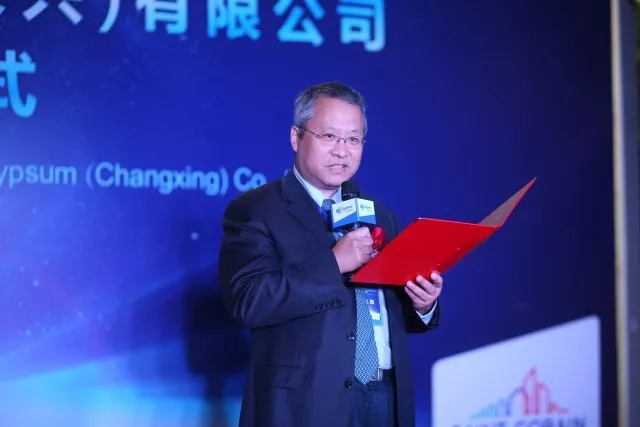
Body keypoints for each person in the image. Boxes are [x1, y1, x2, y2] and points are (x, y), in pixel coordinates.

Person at [218, 82, 443, 427]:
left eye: (353, 139)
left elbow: (392, 314)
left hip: (385, 397)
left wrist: (422, 304)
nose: (342, 151)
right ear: (296, 137)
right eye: (329, 136)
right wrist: (334, 262)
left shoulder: (379, 214)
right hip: (304, 404)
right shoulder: (256, 210)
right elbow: (248, 302)